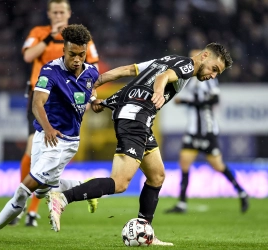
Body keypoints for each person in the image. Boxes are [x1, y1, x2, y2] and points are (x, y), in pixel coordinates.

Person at [45, 43, 233, 246]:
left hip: (135, 117)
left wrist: (94, 88)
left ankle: (146, 232)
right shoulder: (187, 65)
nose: (213, 75)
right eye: (214, 69)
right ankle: (63, 198)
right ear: (205, 55)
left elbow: (126, 71)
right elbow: (163, 78)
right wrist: (159, 92)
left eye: (217, 73)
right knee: (120, 183)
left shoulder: (167, 60)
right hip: (135, 119)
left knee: (157, 176)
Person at [0, 24, 99, 243]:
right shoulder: (50, 71)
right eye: (72, 55)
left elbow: (91, 87)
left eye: (81, 55)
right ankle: (86, 186)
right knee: (44, 190)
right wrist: (47, 128)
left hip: (64, 142)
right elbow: (37, 104)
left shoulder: (91, 72)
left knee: (24, 190)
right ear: (63, 51)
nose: (77, 59)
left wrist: (94, 101)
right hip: (44, 135)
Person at [14, 0, 99, 227]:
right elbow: (28, 56)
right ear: (49, 14)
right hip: (40, 100)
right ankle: (26, 206)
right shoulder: (39, 33)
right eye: (55, 12)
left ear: (69, 13)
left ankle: (28, 209)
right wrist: (52, 36)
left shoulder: (81, 41)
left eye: (63, 11)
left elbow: (93, 73)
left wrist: (88, 100)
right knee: (32, 151)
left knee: (45, 157)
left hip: (68, 103)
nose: (59, 14)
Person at [164, 50, 249, 214]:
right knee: (184, 163)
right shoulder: (191, 79)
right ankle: (182, 203)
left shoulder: (208, 79)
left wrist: (188, 102)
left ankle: (242, 192)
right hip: (193, 130)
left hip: (207, 130)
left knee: (218, 165)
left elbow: (215, 99)